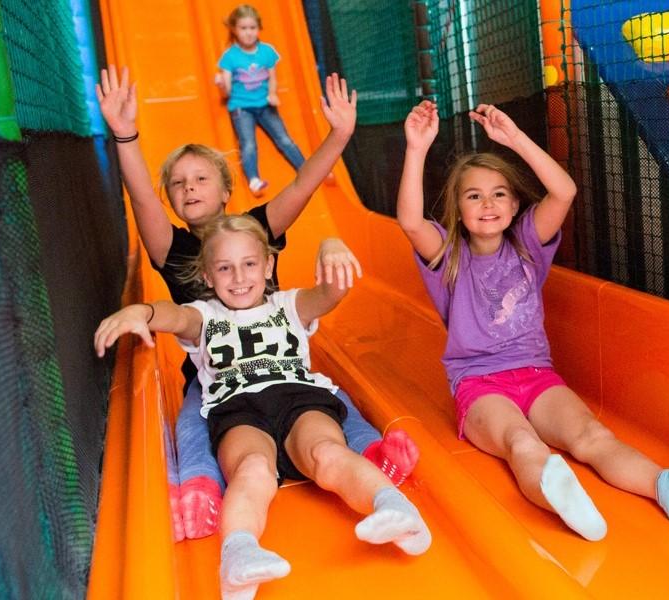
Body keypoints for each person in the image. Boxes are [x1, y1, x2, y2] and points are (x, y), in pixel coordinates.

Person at [96, 65, 418, 542]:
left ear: (227, 190)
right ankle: (199, 487)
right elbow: (143, 202)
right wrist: (126, 137)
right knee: (193, 424)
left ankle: (371, 460)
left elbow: (302, 186)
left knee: (333, 400)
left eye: (201, 178)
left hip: (282, 366)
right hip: (217, 380)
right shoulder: (174, 248)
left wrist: (339, 135)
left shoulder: (256, 229)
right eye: (179, 184)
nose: (189, 188)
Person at [396, 100, 669, 541]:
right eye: (474, 196)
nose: (488, 204)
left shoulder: (529, 245)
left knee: (590, 435)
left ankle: (666, 488)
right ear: (458, 209)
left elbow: (564, 191)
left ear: (514, 206)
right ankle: (563, 499)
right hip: (479, 384)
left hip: (537, 377)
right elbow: (409, 219)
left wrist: (514, 139)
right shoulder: (448, 257)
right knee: (519, 441)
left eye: (499, 194)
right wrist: (416, 149)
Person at [95, 216, 431, 599]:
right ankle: (239, 555)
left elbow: (330, 293)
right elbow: (173, 315)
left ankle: (394, 509)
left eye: (249, 264)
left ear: (268, 266)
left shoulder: (290, 305)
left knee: (328, 453)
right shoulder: (205, 316)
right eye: (224, 268)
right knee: (252, 469)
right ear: (207, 276)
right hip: (238, 410)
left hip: (299, 399)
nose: (238, 277)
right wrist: (143, 312)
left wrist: (330, 247)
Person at [217, 4, 307, 194]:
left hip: (265, 104)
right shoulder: (230, 56)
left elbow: (272, 77)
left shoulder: (267, 51)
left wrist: (272, 94)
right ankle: (254, 179)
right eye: (243, 28)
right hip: (242, 108)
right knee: (248, 144)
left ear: (258, 28)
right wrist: (221, 84)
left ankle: (306, 169)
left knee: (284, 139)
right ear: (234, 29)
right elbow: (227, 93)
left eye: (252, 28)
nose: (249, 33)